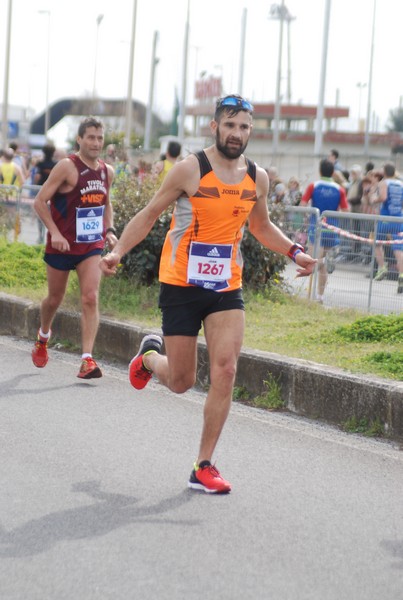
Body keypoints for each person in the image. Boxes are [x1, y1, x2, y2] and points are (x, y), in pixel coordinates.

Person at [100, 94, 316, 494]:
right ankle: (150, 357)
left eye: (245, 127)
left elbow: (261, 227)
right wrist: (116, 252)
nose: (237, 134)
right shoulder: (190, 170)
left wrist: (295, 252)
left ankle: (203, 465)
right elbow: (149, 215)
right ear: (214, 127)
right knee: (181, 381)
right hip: (181, 284)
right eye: (230, 125)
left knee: (226, 370)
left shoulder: (257, 177)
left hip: (225, 287)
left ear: (252, 131)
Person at [31, 116, 117, 378]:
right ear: (79, 139)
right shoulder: (67, 167)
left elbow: (106, 203)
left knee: (90, 297)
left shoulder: (107, 171)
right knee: (54, 299)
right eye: (90, 137)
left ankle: (87, 360)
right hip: (62, 245)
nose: (95, 142)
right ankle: (43, 335)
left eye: (100, 137)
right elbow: (39, 201)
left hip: (90, 246)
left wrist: (110, 230)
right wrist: (55, 233)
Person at [300, 158, 349, 303]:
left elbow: (302, 205)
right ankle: (320, 295)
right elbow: (346, 211)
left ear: (320, 171)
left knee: (313, 260)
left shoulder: (313, 186)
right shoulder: (339, 189)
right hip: (331, 229)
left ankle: (313, 295)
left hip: (316, 228)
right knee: (323, 264)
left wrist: (308, 216)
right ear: (333, 172)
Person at [370, 162, 403, 292]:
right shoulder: (401, 184)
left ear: (384, 173)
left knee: (377, 242)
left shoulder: (384, 183)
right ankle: (401, 275)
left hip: (385, 217)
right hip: (398, 218)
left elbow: (383, 197)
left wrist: (374, 199)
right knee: (398, 248)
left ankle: (382, 267)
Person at [34, 144, 57, 243]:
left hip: (41, 191)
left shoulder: (40, 163)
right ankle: (52, 234)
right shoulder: (56, 164)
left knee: (41, 216)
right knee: (52, 215)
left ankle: (40, 235)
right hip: (53, 193)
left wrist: (34, 186)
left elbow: (37, 176)